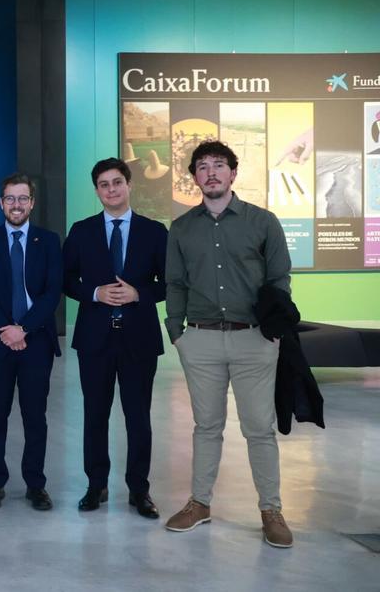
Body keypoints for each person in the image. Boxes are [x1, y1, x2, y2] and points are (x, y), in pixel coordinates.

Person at [163, 141, 294, 548]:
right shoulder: (183, 228)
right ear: (195, 177)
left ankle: (271, 510)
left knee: (259, 428)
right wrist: (177, 333)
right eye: (203, 167)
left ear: (233, 173)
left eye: (219, 165)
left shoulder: (263, 222)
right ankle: (199, 503)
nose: (212, 173)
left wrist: (272, 332)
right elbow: (176, 283)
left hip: (253, 339)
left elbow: (279, 280)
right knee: (206, 426)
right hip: (200, 339)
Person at [63, 159, 167, 518]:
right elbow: (65, 279)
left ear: (129, 185)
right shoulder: (81, 231)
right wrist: (94, 293)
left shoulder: (155, 232)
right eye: (104, 185)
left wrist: (140, 294)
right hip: (95, 340)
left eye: (117, 182)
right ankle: (96, 486)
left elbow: (169, 283)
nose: (111, 189)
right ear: (96, 191)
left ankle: (139, 490)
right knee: (95, 415)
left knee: (138, 417)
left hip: (139, 339)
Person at [0, 172, 62, 511]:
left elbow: (52, 291)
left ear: (32, 203)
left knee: (34, 416)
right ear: (1, 203)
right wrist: (6, 330)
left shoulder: (49, 241)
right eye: (10, 198)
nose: (17, 204)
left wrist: (22, 329)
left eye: (23, 198)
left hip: (36, 341)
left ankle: (35, 485)